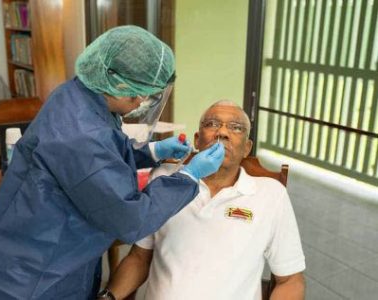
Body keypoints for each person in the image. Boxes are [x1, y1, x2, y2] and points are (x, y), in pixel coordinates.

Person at [0, 26, 226, 300]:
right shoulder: (83, 134)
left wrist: (151, 151)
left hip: (26, 255)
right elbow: (130, 218)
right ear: (117, 84)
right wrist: (189, 176)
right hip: (27, 281)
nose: (142, 102)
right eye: (139, 94)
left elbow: (96, 160)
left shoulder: (77, 95)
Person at [103, 101, 306, 300]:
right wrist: (107, 297)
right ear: (198, 140)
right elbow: (139, 257)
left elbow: (290, 280)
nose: (222, 133)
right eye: (212, 124)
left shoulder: (271, 194)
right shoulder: (165, 179)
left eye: (236, 128)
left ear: (247, 148)